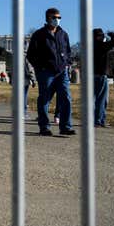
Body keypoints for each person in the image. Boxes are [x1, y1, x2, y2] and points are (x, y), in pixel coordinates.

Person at [26, 7, 75, 136]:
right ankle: (44, 127)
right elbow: (31, 54)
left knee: (66, 98)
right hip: (46, 72)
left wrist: (67, 63)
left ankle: (66, 126)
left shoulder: (63, 34)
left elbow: (68, 51)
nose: (57, 20)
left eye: (59, 18)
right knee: (45, 99)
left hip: (62, 71)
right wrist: (40, 67)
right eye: (54, 18)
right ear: (47, 18)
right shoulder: (39, 34)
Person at [93, 29, 114, 127]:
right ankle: (99, 120)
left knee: (96, 99)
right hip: (100, 76)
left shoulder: (91, 46)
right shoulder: (101, 46)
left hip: (92, 75)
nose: (103, 37)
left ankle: (97, 119)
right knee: (102, 100)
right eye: (101, 35)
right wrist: (111, 34)